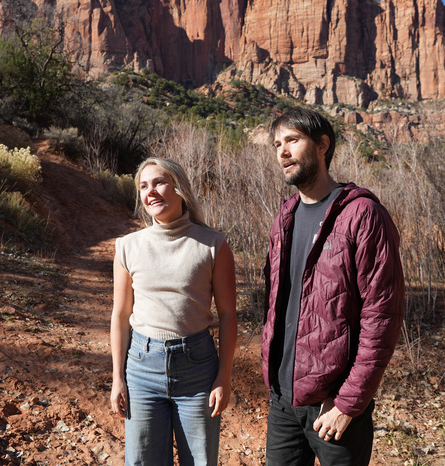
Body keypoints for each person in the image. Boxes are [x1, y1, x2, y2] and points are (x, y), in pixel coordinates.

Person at [261, 107, 405, 466]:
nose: (282, 152)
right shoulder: (284, 218)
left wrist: (348, 403)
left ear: (322, 145)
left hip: (334, 406)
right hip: (283, 402)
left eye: (292, 140)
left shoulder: (362, 215)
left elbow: (382, 317)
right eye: (277, 144)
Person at [110, 157, 237, 466]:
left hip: (198, 370)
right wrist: (117, 378)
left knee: (200, 461)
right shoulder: (127, 246)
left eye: (159, 183)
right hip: (141, 369)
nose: (150, 192)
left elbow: (228, 314)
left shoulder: (213, 244)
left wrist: (224, 376)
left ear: (179, 188)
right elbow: (120, 315)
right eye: (143, 186)